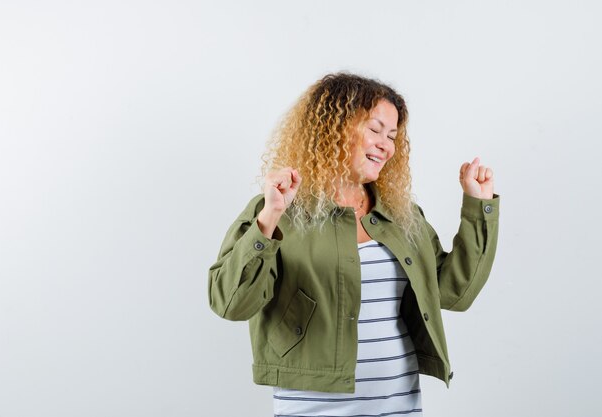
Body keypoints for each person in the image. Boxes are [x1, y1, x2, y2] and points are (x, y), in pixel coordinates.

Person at [208, 72, 500, 416]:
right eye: (375, 130)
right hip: (313, 408)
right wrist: (269, 217)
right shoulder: (280, 209)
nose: (386, 145)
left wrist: (479, 207)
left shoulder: (401, 216)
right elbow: (230, 303)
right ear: (332, 127)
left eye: (392, 136)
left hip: (399, 406)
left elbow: (454, 293)